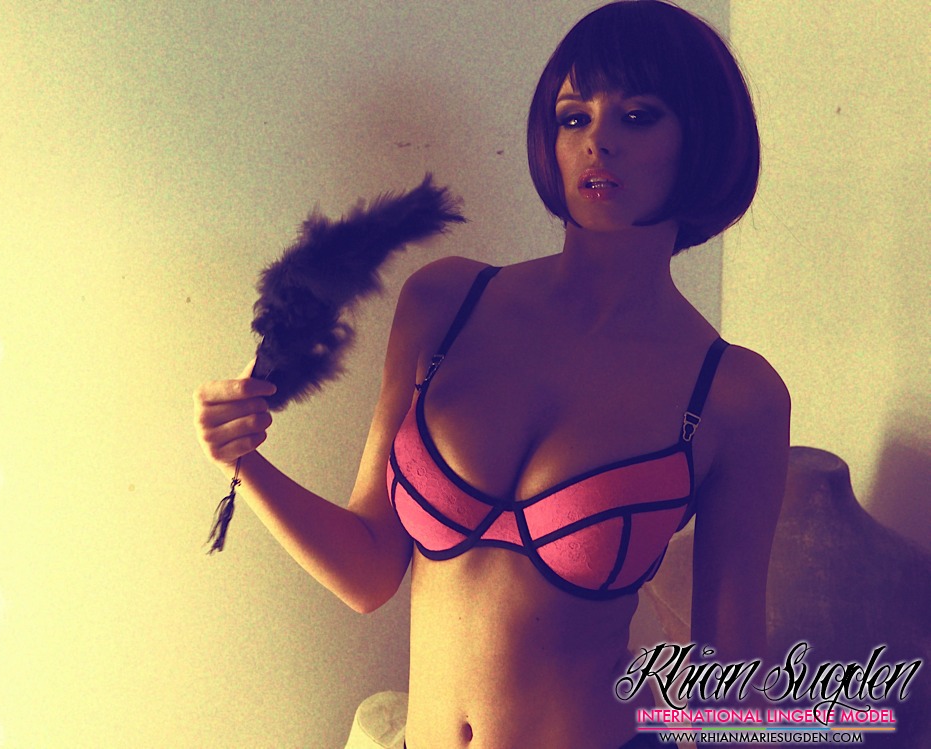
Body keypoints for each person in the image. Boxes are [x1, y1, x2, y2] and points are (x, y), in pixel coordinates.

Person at [193, 2, 790, 747]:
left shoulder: (734, 393)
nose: (597, 140)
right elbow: (368, 572)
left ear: (701, 139)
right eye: (573, 117)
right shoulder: (444, 303)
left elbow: (733, 676)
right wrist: (242, 459)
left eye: (637, 116)